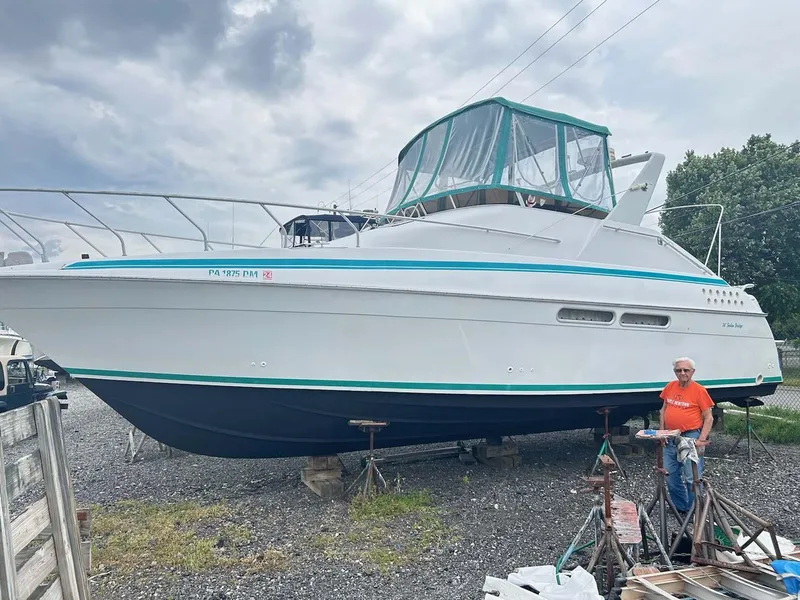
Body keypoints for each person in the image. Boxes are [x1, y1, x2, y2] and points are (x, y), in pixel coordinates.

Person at [659, 357, 714, 518]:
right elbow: (663, 410)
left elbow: (708, 417)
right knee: (670, 474)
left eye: (686, 370)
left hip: (691, 435)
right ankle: (681, 507)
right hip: (671, 435)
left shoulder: (699, 390)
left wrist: (701, 439)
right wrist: (662, 432)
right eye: (678, 370)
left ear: (692, 372)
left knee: (692, 476)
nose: (682, 373)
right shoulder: (670, 387)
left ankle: (695, 510)